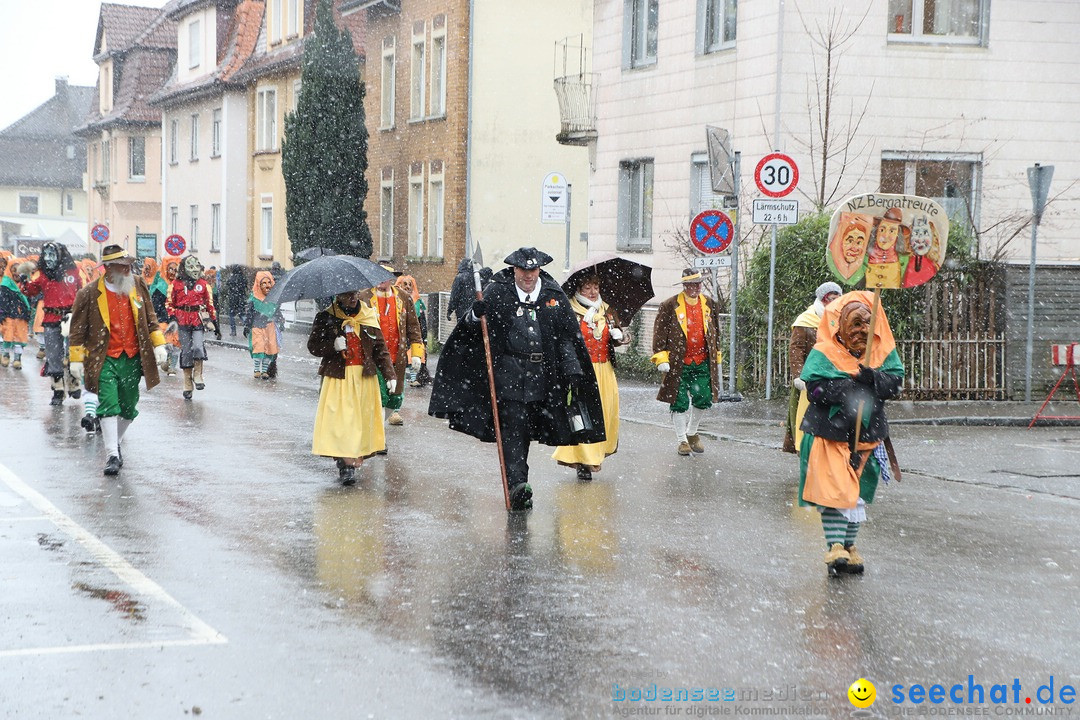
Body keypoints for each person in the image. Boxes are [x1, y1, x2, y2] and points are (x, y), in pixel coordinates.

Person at [429, 247, 605, 511]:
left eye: (532, 270)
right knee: (514, 429)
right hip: (508, 375)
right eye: (523, 270)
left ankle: (519, 479)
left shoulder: (552, 295)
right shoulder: (497, 292)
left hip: (545, 379)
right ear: (514, 270)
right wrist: (476, 314)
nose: (528, 276)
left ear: (539, 270)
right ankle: (517, 485)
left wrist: (572, 368)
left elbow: (567, 336)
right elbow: (468, 328)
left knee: (535, 427)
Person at [798, 291, 904, 576]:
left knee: (858, 494)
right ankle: (834, 546)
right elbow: (815, 390)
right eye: (855, 324)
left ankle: (849, 546)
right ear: (840, 325)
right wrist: (847, 389)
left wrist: (874, 379)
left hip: (869, 435)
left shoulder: (882, 351)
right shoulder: (824, 352)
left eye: (867, 324)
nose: (861, 331)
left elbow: (895, 385)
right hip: (830, 435)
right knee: (835, 492)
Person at [67, 245, 169, 476]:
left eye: (129, 265)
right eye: (123, 266)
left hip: (133, 357)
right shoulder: (90, 293)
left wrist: (159, 344)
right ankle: (111, 454)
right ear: (109, 268)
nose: (128, 269)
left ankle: (116, 444)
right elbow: (77, 329)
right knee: (109, 405)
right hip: (103, 358)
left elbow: (150, 317)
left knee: (128, 407)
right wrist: (75, 360)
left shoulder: (137, 284)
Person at [308, 289, 396, 485]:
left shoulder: (368, 315)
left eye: (355, 293)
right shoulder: (326, 317)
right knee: (342, 423)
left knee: (360, 423)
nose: (353, 297)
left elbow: (380, 349)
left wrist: (390, 374)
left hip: (364, 378)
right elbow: (313, 346)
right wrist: (333, 345)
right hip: (339, 378)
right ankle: (344, 465)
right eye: (347, 295)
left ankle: (354, 458)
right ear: (338, 296)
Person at [552, 274, 630, 481]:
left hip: (605, 370)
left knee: (604, 414)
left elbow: (622, 335)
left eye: (595, 286)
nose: (593, 292)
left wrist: (620, 338)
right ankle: (583, 461)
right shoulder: (569, 310)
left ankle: (596, 455)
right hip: (582, 370)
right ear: (578, 290)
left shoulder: (607, 310)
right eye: (587, 288)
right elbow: (562, 340)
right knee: (584, 415)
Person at [650, 268, 723, 456]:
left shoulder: (709, 304)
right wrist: (660, 357)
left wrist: (717, 354)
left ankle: (692, 432)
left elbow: (715, 331)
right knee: (678, 401)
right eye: (691, 284)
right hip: (678, 362)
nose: (695, 288)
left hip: (702, 361)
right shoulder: (669, 305)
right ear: (684, 286)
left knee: (704, 397)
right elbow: (659, 333)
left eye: (697, 284)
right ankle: (682, 439)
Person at [18, 242, 84, 405]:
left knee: (73, 352)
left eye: (52, 254)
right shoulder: (44, 274)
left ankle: (74, 383)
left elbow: (81, 291)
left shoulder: (73, 271)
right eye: (46, 254)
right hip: (51, 318)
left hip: (71, 318)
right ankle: (58, 390)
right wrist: (24, 281)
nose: (48, 258)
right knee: (53, 355)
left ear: (60, 255)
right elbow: (31, 290)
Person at [361, 267, 424, 428]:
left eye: (385, 277)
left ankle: (379, 425)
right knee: (379, 396)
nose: (382, 281)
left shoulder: (403, 297)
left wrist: (417, 352)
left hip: (398, 356)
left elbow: (413, 327)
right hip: (375, 357)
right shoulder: (365, 297)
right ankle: (377, 434)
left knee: (395, 398)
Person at [783, 281, 842, 454]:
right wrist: (799, 376)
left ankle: (825, 447)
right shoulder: (806, 320)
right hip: (809, 378)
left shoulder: (839, 320)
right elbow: (796, 349)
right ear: (823, 299)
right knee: (802, 415)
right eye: (831, 299)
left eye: (838, 299)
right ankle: (803, 447)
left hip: (832, 377)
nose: (835, 303)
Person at [166, 255, 219, 399]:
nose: (194, 270)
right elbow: (169, 302)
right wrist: (172, 316)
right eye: (191, 267)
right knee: (187, 351)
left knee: (197, 346)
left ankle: (198, 375)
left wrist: (215, 321)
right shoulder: (176, 284)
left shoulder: (203, 284)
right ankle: (187, 383)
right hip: (182, 319)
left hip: (197, 319)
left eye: (196, 266)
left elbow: (210, 304)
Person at [243, 270, 284, 379]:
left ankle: (265, 371)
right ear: (259, 285)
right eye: (264, 283)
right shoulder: (254, 299)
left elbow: (277, 312)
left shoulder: (274, 299)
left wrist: (281, 321)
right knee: (259, 346)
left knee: (270, 348)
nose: (267, 286)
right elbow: (250, 313)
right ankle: (257, 369)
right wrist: (247, 325)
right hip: (257, 326)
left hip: (269, 326)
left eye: (269, 283)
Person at [395, 274, 431, 387]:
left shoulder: (417, 302)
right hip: (399, 333)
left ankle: (417, 378)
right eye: (405, 284)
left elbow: (420, 320)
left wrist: (422, 335)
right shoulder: (396, 299)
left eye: (410, 285)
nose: (408, 287)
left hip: (413, 333)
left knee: (416, 356)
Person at [151, 256, 181, 376]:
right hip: (163, 319)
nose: (173, 272)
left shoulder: (179, 286)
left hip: (177, 319)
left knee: (176, 344)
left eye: (175, 270)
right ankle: (166, 362)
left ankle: (172, 366)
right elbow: (156, 304)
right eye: (171, 269)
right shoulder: (161, 287)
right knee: (167, 342)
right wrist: (165, 316)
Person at [0, 257, 32, 370]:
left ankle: (17, 359)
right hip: (9, 315)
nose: (17, 273)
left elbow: (30, 298)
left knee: (19, 337)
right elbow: (3, 300)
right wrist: (3, 313)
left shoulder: (26, 284)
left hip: (21, 316)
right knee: (8, 336)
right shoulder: (5, 284)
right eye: (14, 270)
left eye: (19, 271)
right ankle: (6, 355)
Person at [865, 207, 905, 289]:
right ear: (876, 232)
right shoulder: (863, 258)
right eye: (882, 230)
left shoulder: (904, 261)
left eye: (892, 231)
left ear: (897, 235)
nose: (885, 236)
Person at [225, 265, 250, 337]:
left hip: (232, 299)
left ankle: (233, 331)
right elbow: (245, 287)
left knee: (231, 315)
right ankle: (246, 323)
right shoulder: (243, 278)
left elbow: (228, 286)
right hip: (241, 298)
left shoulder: (231, 278)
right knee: (241, 313)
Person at [447, 258, 475, 322]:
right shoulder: (476, 277)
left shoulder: (460, 277)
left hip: (461, 310)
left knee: (462, 329)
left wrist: (450, 310)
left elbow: (454, 296)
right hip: (473, 311)